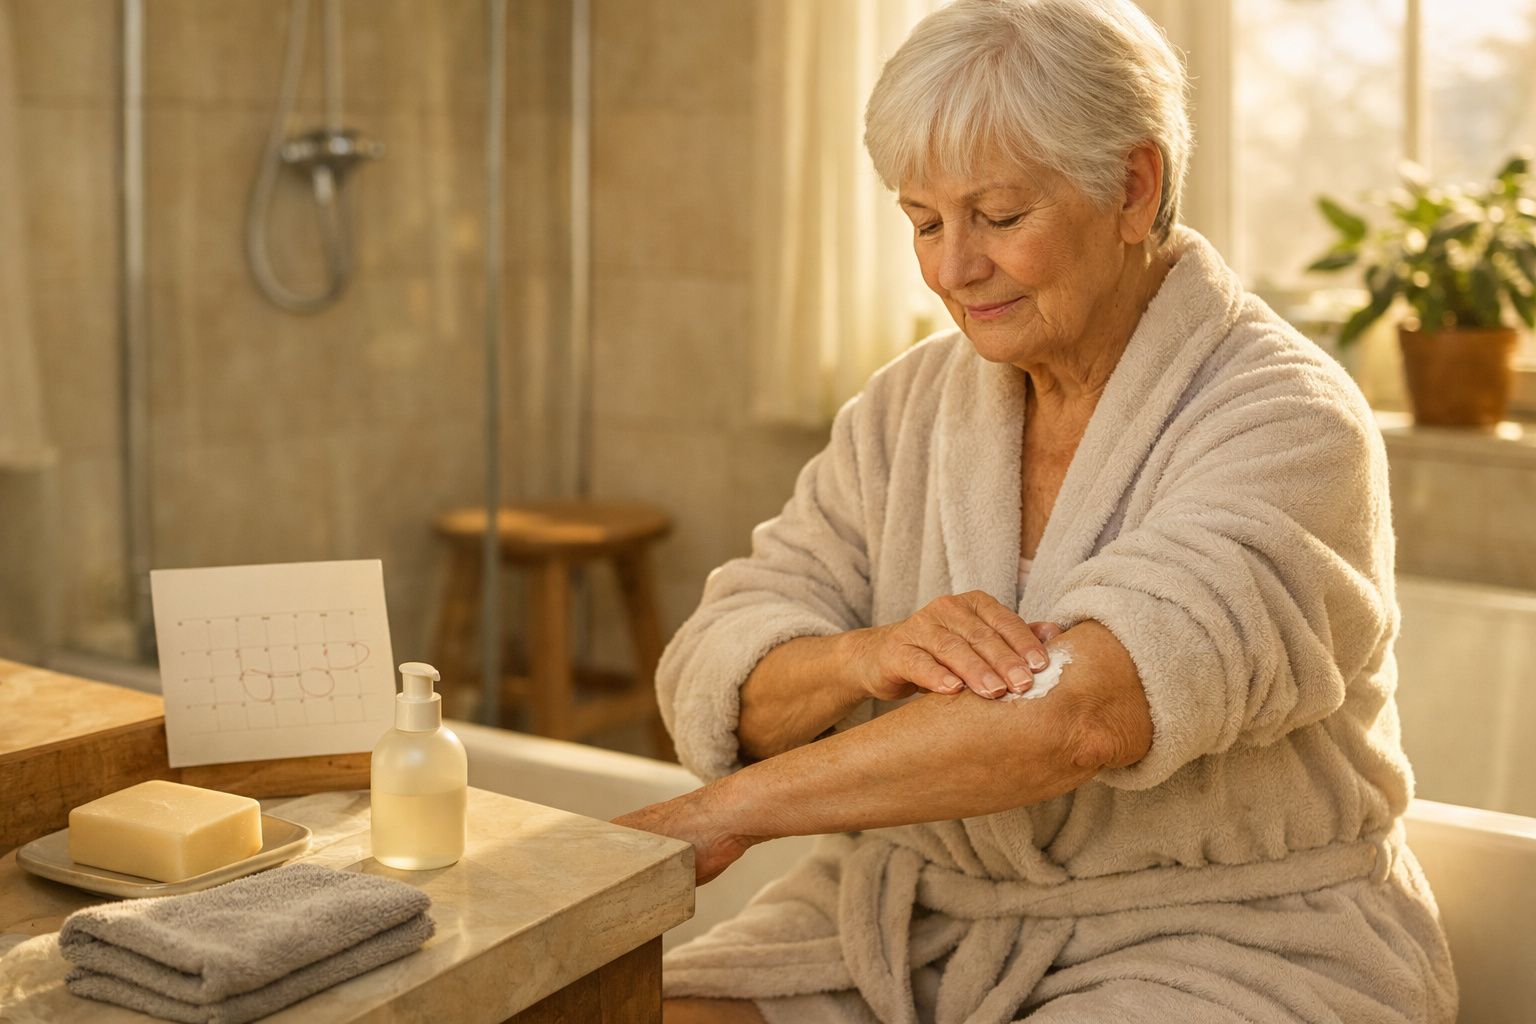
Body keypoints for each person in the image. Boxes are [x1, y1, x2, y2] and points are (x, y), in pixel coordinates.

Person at [612, 1, 1458, 1021]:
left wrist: (719, 817)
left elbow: (1080, 716)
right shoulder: (904, 410)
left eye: (999, 216)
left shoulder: (1287, 419)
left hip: (1226, 940)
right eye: (922, 220)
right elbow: (719, 665)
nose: (951, 269)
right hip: (917, 919)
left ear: (1132, 188)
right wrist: (862, 657)